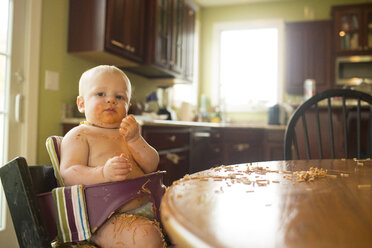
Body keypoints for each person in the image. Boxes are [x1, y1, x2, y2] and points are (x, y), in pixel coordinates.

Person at [60, 65, 165, 248]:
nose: (111, 100)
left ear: (128, 106)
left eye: (119, 97)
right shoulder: (80, 135)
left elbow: (151, 165)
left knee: (185, 216)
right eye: (100, 94)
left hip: (150, 206)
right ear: (82, 104)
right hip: (104, 219)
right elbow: (68, 174)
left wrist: (135, 139)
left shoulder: (127, 133)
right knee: (145, 236)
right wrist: (103, 174)